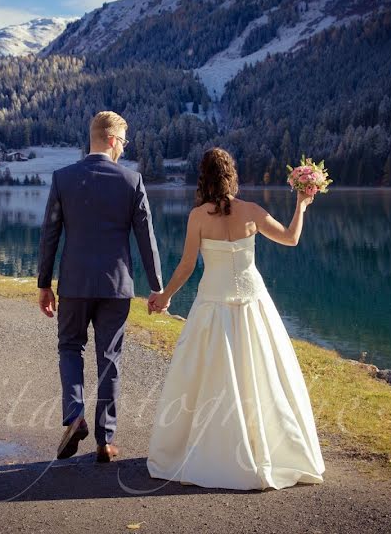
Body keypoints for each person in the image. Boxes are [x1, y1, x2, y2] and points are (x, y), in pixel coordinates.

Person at [145, 147, 325, 489]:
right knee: (260, 373)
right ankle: (266, 448)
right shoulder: (252, 211)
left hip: (212, 303)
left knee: (208, 375)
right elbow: (291, 238)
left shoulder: (197, 216)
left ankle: (210, 450)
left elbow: (186, 267)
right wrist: (300, 206)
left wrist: (164, 296)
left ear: (203, 178)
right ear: (232, 176)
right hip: (252, 303)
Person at [37, 110, 164, 463]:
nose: (124, 148)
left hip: (75, 283)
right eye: (123, 141)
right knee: (110, 359)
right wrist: (157, 287)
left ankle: (74, 415)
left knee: (69, 347)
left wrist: (44, 284)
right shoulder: (131, 182)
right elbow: (146, 239)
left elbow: (49, 234)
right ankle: (105, 441)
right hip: (115, 286)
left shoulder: (63, 179)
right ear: (111, 140)